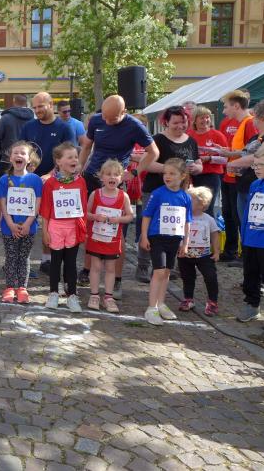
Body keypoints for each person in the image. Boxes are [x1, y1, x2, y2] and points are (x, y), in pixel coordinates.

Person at [77, 95, 158, 291]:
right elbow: (87, 146)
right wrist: (78, 169)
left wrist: (135, 173)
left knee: (117, 230)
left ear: (124, 112)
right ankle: (87, 270)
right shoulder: (97, 120)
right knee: (89, 225)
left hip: (116, 181)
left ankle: (117, 279)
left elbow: (154, 152)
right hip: (93, 177)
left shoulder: (134, 126)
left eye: (111, 119)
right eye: (104, 117)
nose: (106, 121)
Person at [135, 106, 202, 281]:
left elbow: (198, 162)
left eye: (183, 122)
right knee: (150, 226)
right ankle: (143, 265)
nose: (180, 126)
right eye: (175, 123)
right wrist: (171, 170)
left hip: (179, 192)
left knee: (173, 227)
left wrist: (197, 168)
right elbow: (146, 163)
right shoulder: (158, 139)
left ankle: (166, 265)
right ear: (166, 122)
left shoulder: (191, 141)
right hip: (155, 190)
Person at [20, 92, 76, 275]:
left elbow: (69, 157)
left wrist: (50, 175)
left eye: (40, 106)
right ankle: (21, 261)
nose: (37, 110)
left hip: (54, 183)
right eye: (34, 107)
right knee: (25, 220)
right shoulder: (28, 127)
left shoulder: (64, 128)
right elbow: (20, 152)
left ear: (51, 105)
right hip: (29, 183)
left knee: (50, 222)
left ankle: (47, 260)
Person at [140, 158, 192, 325]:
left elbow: (187, 221)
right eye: (165, 173)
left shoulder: (185, 197)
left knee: (167, 272)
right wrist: (144, 236)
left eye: (172, 173)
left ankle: (161, 303)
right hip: (157, 237)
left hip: (174, 239)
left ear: (182, 176)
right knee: (159, 271)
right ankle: (151, 307)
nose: (167, 176)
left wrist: (185, 243)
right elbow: (146, 216)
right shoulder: (158, 193)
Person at [40, 143, 88, 313]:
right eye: (70, 157)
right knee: (55, 261)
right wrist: (45, 231)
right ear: (58, 161)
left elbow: (83, 206)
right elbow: (45, 208)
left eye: (76, 157)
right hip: (56, 226)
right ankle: (53, 293)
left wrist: (83, 229)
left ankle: (72, 295)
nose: (74, 160)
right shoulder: (50, 183)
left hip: (73, 226)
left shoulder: (80, 181)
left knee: (71, 262)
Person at [85, 160, 133, 313]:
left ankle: (108, 297)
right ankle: (94, 295)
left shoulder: (124, 196)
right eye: (108, 174)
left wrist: (119, 219)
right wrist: (95, 216)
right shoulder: (95, 194)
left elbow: (130, 216)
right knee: (96, 267)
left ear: (121, 178)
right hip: (96, 238)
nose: (112, 177)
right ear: (101, 177)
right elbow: (86, 213)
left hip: (112, 240)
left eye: (116, 175)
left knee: (111, 268)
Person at [0, 141, 42, 304]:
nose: (19, 156)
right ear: (10, 158)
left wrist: (28, 223)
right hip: (9, 227)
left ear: (29, 159)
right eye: (15, 153)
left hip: (28, 228)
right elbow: (2, 204)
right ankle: (10, 287)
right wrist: (10, 223)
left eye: (23, 153)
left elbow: (37, 202)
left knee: (24, 258)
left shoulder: (35, 179)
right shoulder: (4, 179)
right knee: (11, 257)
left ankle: (22, 288)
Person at [217, 90, 257, 264]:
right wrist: (230, 153)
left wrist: (230, 155)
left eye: (226, 107)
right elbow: (246, 150)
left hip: (244, 179)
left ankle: (245, 256)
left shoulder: (249, 123)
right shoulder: (243, 123)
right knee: (233, 215)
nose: (224, 111)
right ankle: (240, 254)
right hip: (236, 177)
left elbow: (253, 152)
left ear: (236, 106)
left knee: (243, 218)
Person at [227, 100, 264, 259]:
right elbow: (246, 154)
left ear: (261, 117)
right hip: (245, 185)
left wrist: (234, 163)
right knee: (245, 223)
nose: (252, 119)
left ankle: (253, 258)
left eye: (254, 116)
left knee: (256, 226)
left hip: (258, 187)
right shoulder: (256, 137)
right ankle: (248, 258)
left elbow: (255, 157)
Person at [178, 186, 220, 316]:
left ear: (202, 204)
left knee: (210, 276)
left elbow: (215, 235)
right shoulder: (182, 217)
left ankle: (212, 302)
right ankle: (188, 299)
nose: (187, 202)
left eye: (191, 200)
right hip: (185, 254)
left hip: (204, 255)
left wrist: (216, 251)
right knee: (187, 277)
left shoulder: (208, 219)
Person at [239, 143, 264, 322]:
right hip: (251, 238)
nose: (256, 168)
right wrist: (244, 234)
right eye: (254, 165)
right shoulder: (255, 184)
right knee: (250, 274)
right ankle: (252, 304)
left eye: (261, 165)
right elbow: (248, 211)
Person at [188, 105, 228, 214]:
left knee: (206, 208)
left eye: (207, 117)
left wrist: (209, 158)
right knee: (192, 207)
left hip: (211, 176)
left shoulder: (217, 135)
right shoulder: (189, 135)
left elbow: (226, 159)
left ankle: (209, 225)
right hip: (192, 176)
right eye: (202, 118)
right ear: (195, 120)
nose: (205, 120)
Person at [0, 94, 34, 176]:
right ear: (26, 104)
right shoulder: (32, 119)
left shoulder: (6, 118)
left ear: (14, 102)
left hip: (6, 159)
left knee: (3, 183)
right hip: (25, 160)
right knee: (23, 183)